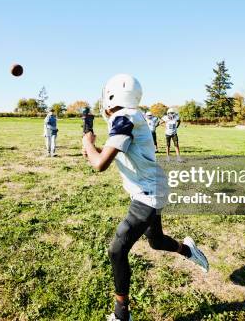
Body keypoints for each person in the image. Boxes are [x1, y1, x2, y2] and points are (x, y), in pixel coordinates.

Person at [81, 74, 208, 321]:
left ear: (111, 95)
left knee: (117, 250)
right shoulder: (128, 117)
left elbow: (99, 164)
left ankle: (121, 314)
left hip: (148, 194)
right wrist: (91, 148)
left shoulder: (124, 119)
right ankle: (188, 249)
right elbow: (103, 155)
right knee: (156, 241)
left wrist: (87, 142)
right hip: (151, 188)